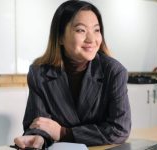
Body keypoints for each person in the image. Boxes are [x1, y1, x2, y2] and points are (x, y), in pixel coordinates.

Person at [14, 0, 131, 149]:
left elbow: (120, 130)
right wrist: (38, 137)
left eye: (96, 30)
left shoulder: (114, 71)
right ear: (60, 37)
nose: (92, 39)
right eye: (81, 30)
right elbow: (39, 122)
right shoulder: (39, 73)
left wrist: (63, 132)